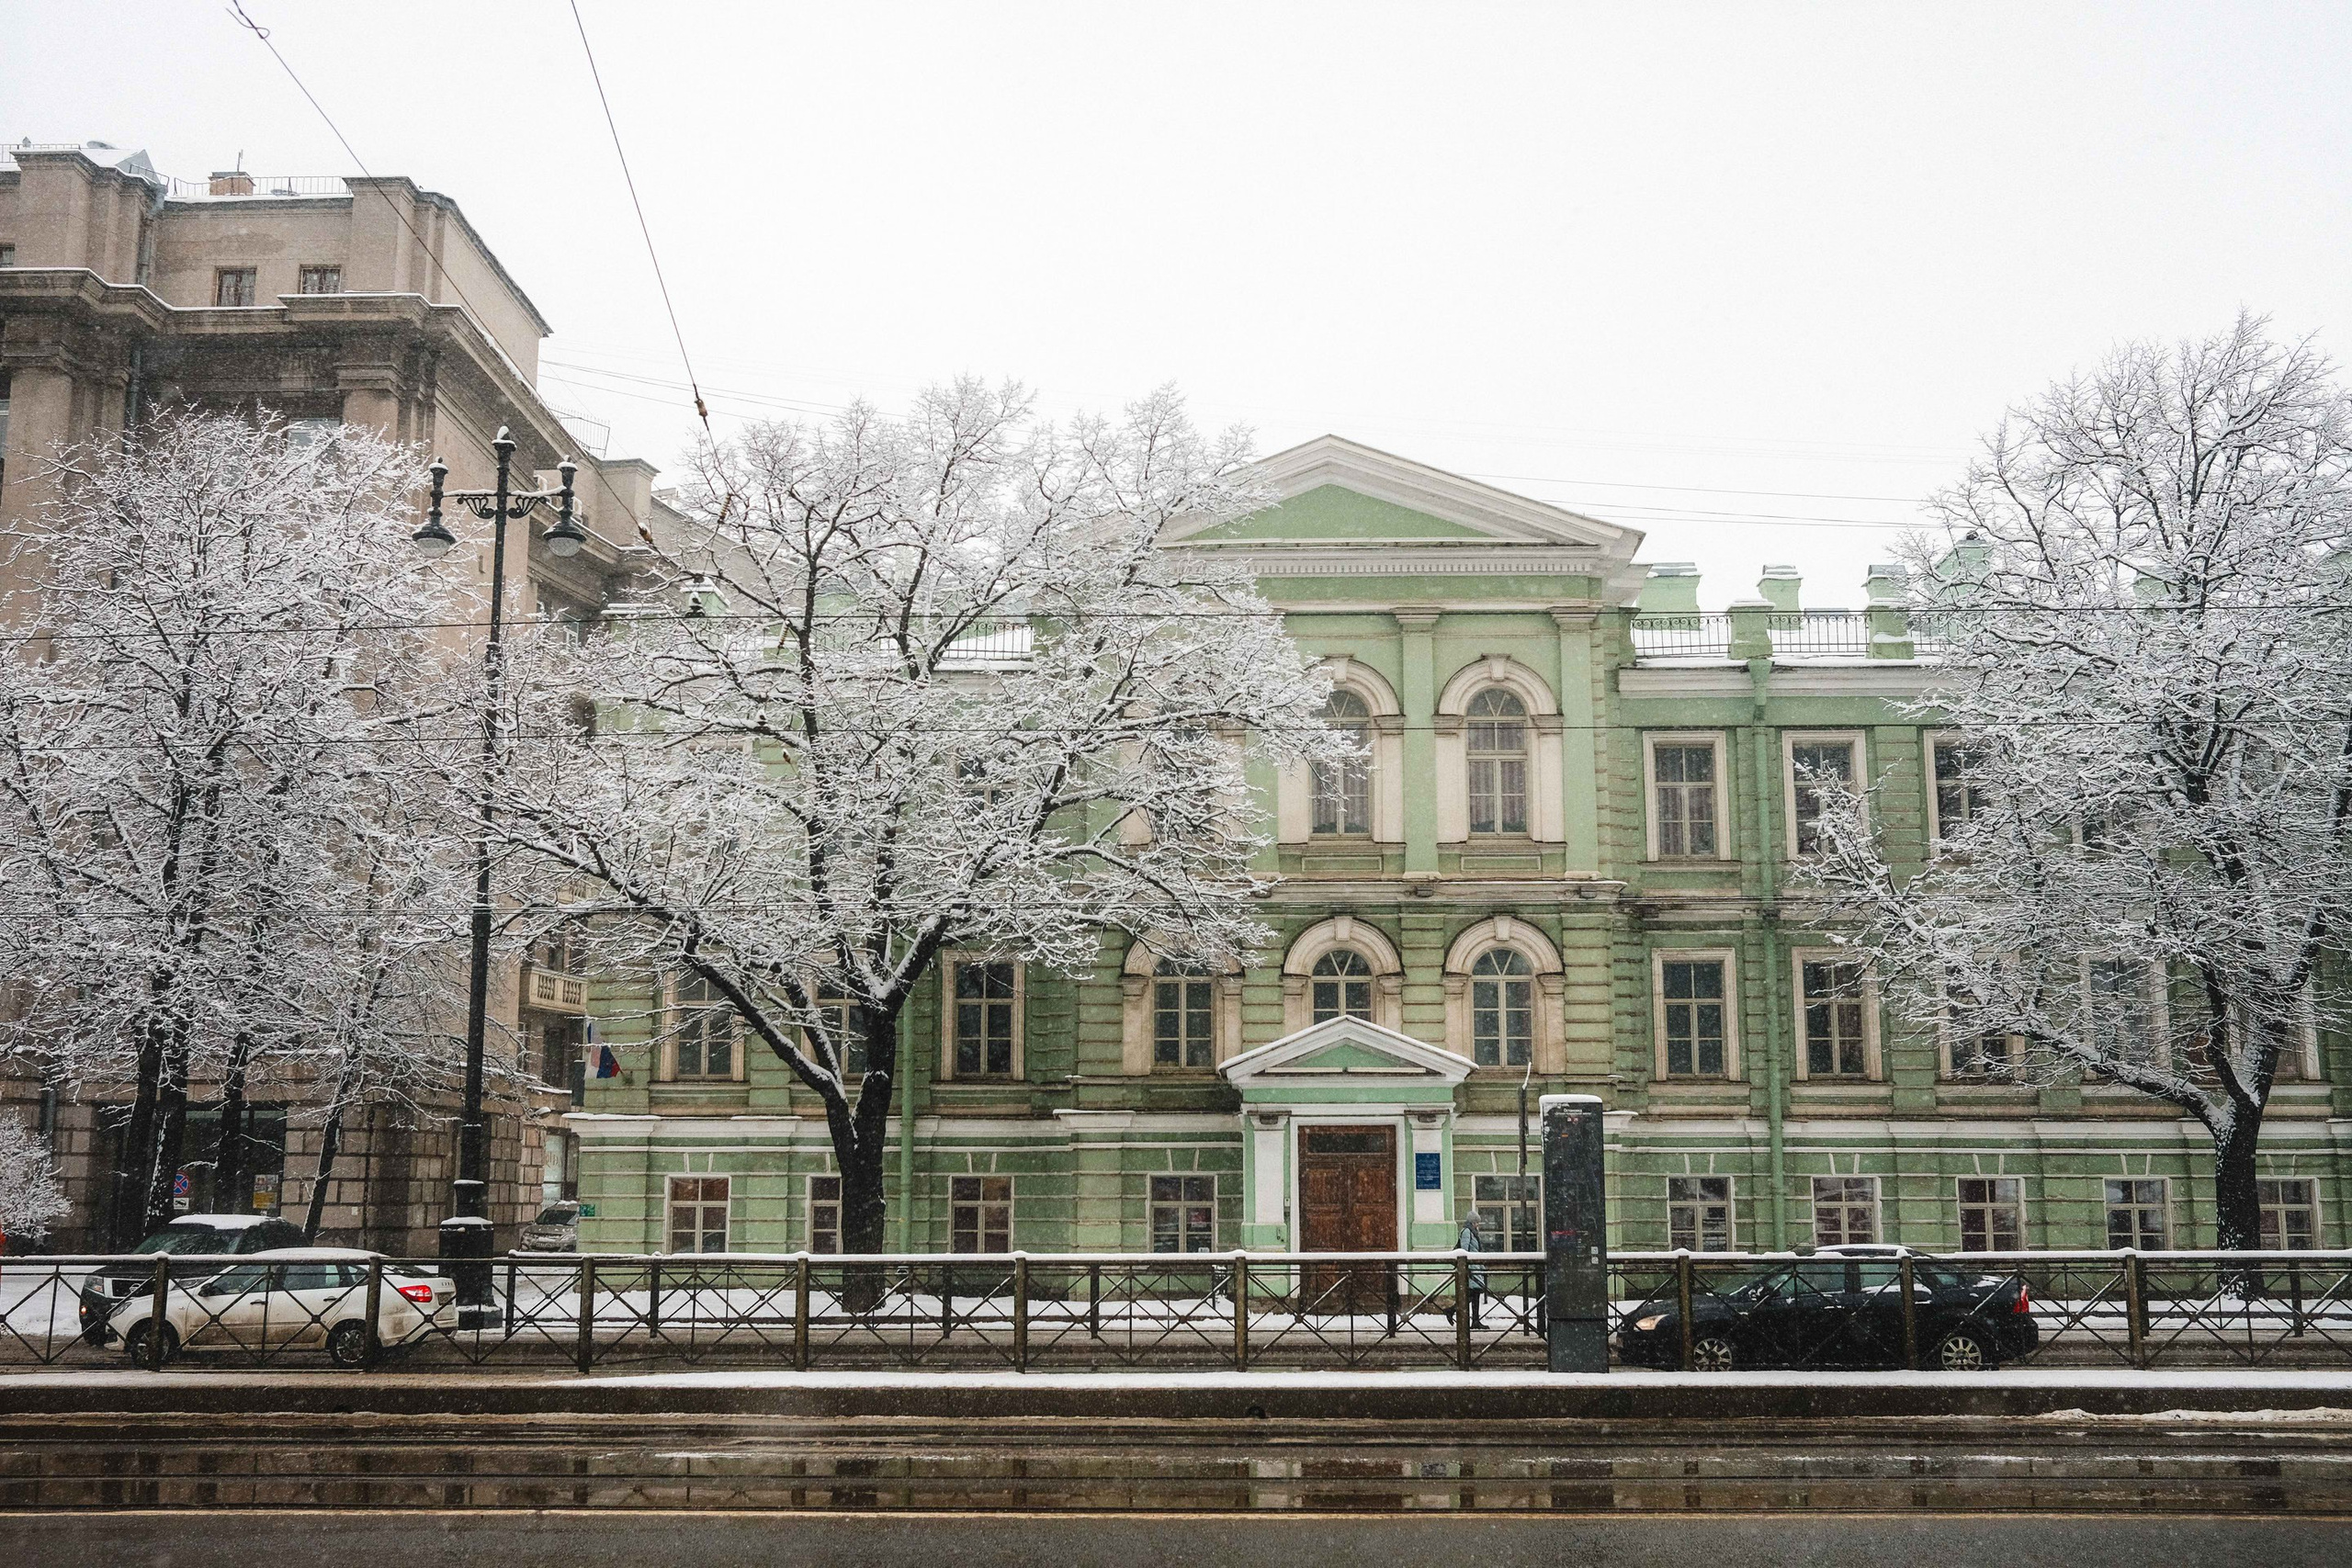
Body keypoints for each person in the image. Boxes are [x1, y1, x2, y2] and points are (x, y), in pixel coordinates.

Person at [1453, 1208, 1487, 1327]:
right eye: (1476, 1222)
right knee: (1472, 1294)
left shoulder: (1472, 1232)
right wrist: (1468, 1266)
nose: (1478, 1225)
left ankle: (1475, 1320)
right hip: (1471, 1268)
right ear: (1472, 1222)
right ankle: (1453, 1311)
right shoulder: (1467, 1232)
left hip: (1475, 1267)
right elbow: (1464, 1250)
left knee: (1475, 1294)